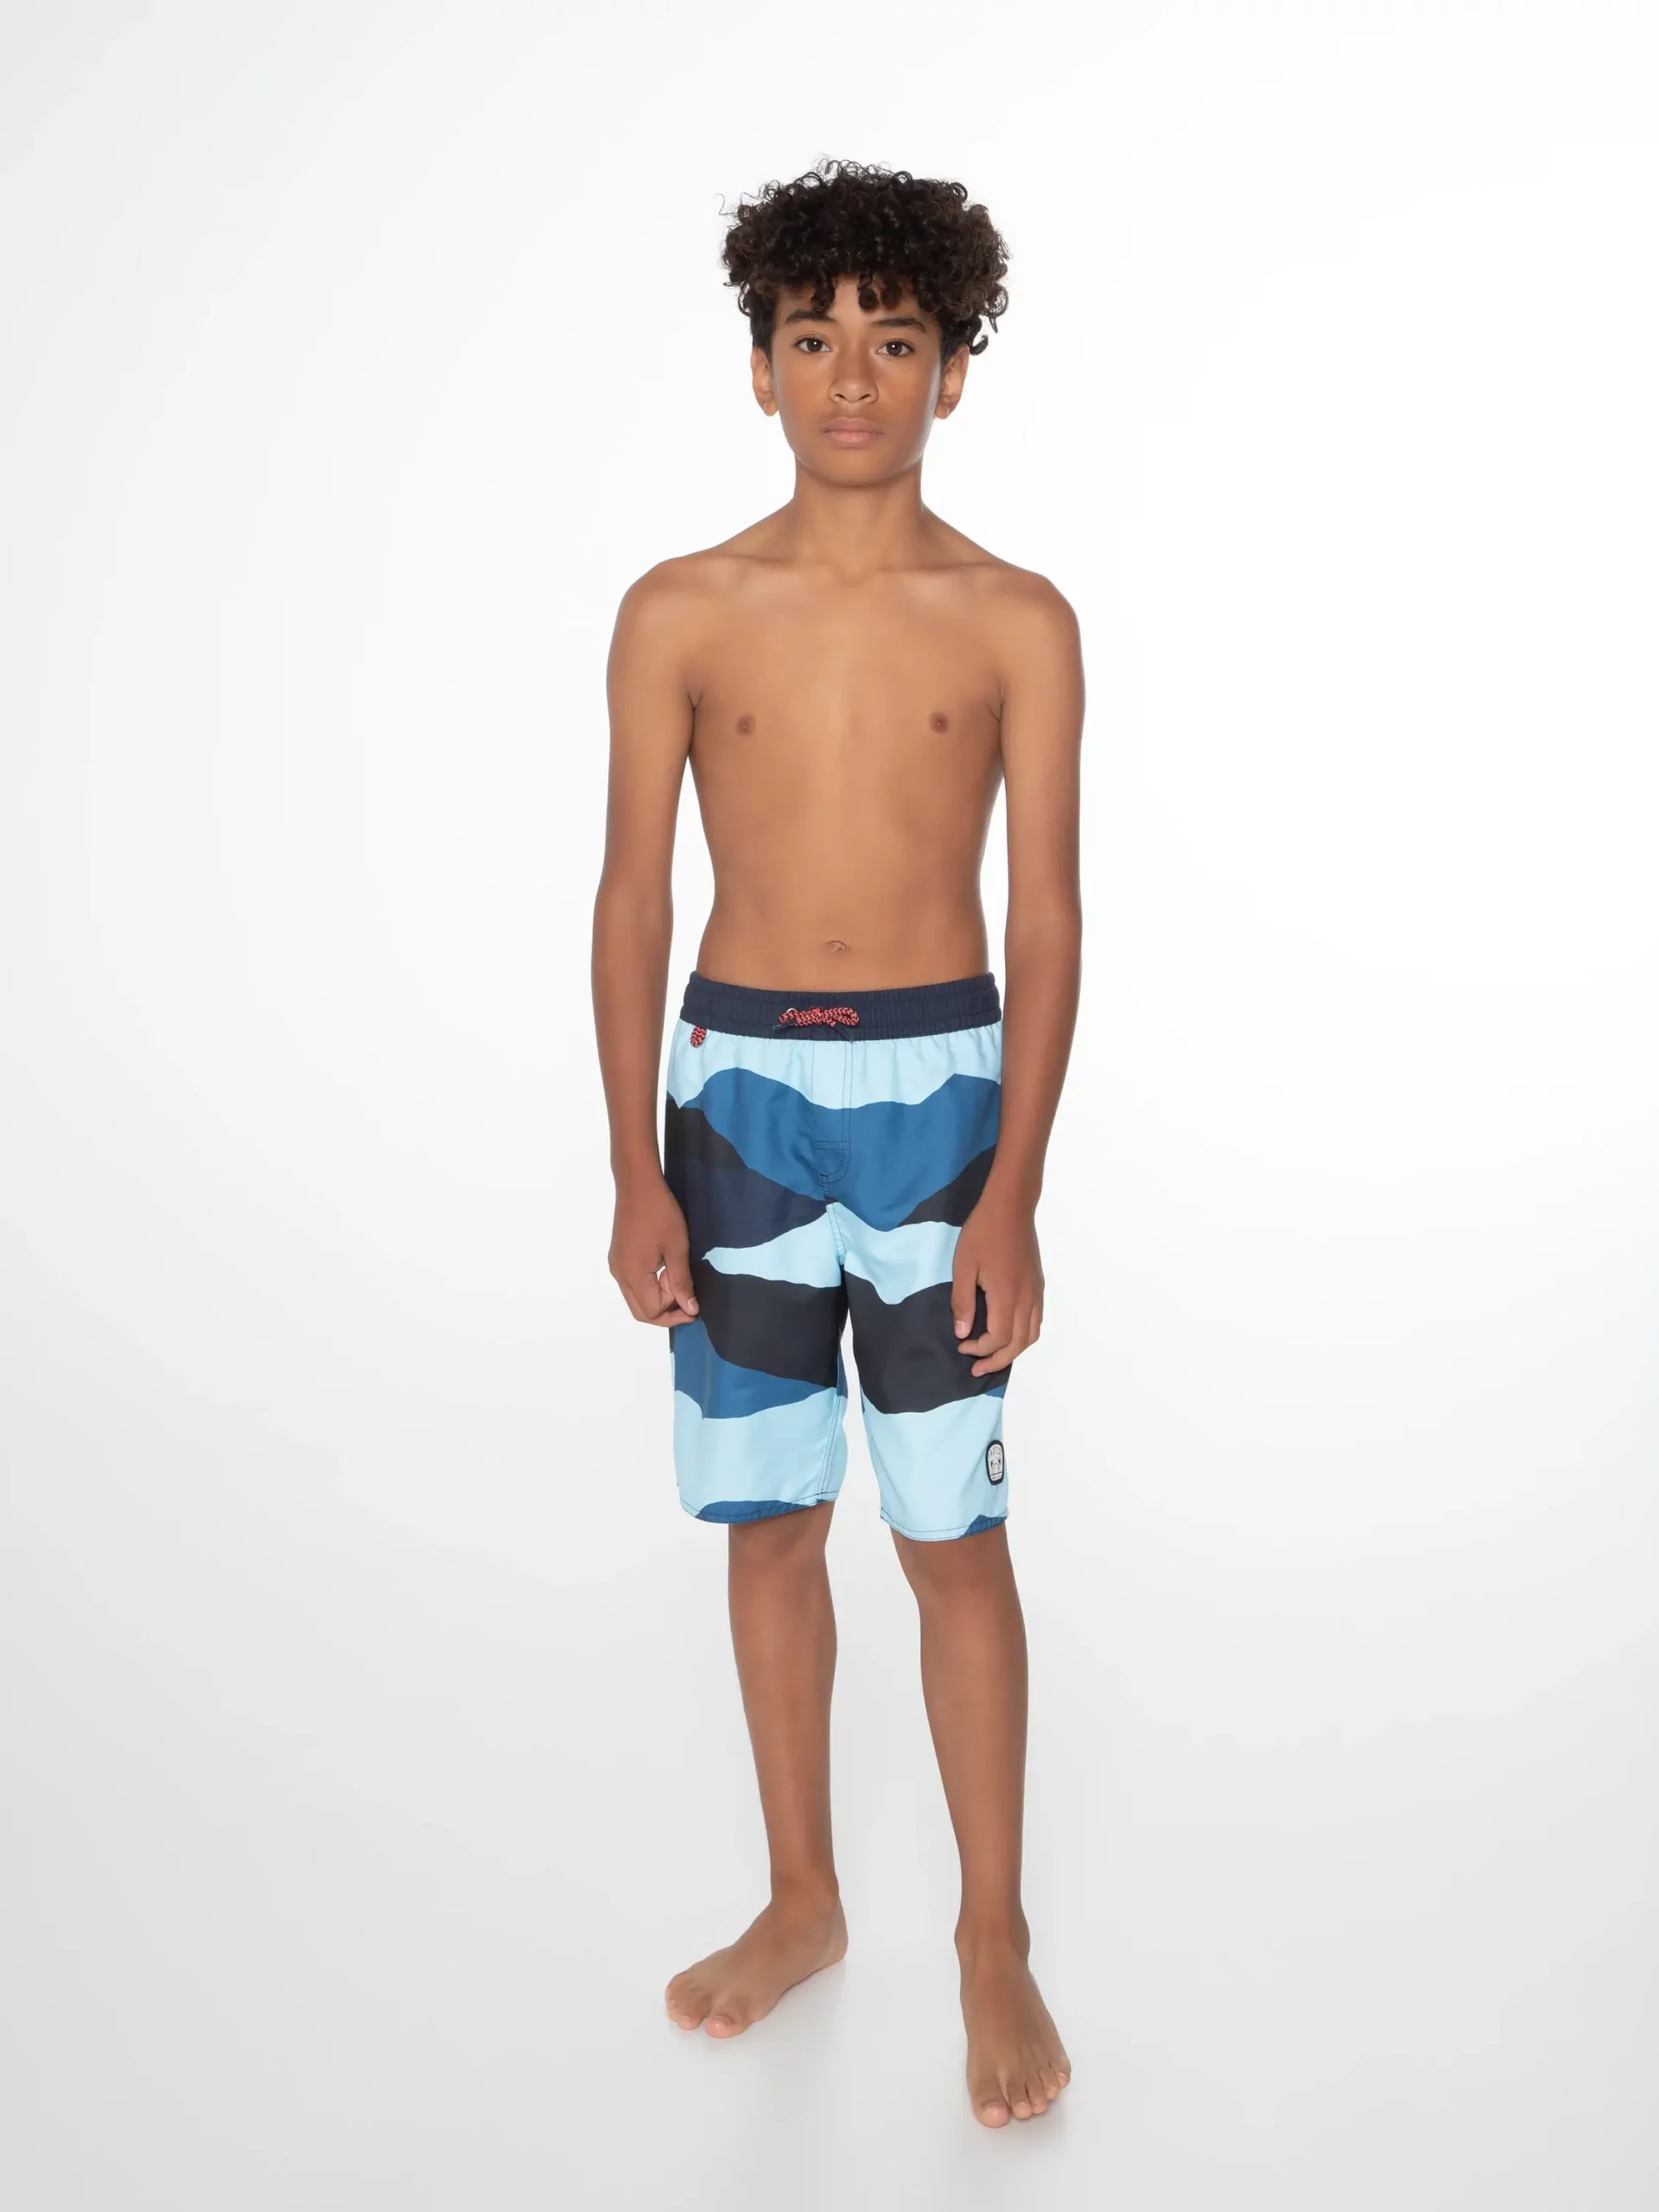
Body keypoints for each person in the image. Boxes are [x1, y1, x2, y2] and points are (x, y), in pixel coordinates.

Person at [590, 157, 1083, 2130]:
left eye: (896, 339)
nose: (853, 377)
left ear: (955, 371)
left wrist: (1016, 1189)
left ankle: (992, 1933)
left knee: (954, 1535)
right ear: (761, 369)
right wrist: (632, 1162)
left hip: (939, 1104)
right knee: (771, 1518)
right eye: (814, 339)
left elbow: (1049, 916)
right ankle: (802, 1894)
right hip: (736, 1103)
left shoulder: (1016, 620)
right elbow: (634, 896)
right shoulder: (680, 610)